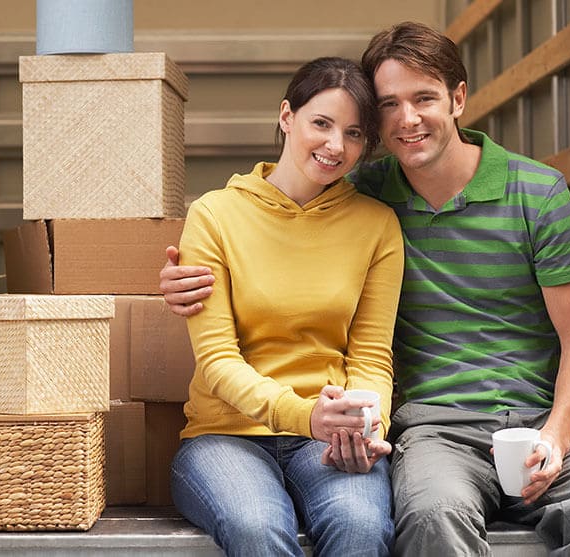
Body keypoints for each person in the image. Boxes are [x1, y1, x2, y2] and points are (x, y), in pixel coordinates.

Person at [160, 22, 570, 556]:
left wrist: (557, 436)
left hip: (537, 421)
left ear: (458, 98)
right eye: (388, 105)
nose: (407, 119)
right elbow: (283, 214)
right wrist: (173, 280)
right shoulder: (355, 191)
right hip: (433, 430)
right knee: (426, 519)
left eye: (424, 98)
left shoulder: (528, 194)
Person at [168, 56, 404, 557]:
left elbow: (371, 356)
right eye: (321, 123)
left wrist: (366, 425)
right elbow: (217, 361)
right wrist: (303, 415)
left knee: (360, 527)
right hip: (225, 435)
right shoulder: (215, 215)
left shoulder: (376, 225)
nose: (335, 146)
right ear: (285, 117)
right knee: (257, 527)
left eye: (355, 133)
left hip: (330, 436)